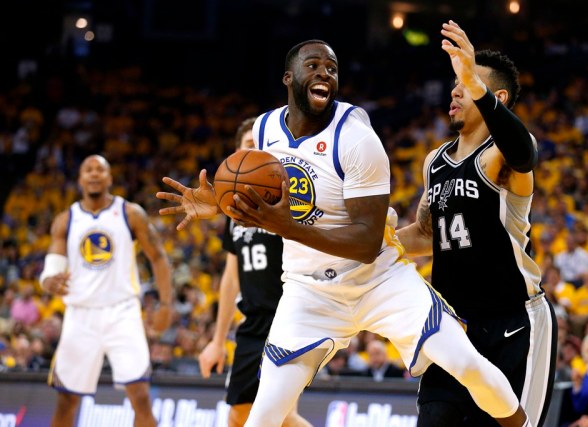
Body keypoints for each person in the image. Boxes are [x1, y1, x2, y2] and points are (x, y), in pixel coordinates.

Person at [157, 33, 532, 427]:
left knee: (466, 363)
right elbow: (255, 196)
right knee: (262, 417)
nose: (324, 73)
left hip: (378, 281)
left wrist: (287, 226)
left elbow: (367, 244)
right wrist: (219, 202)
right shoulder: (266, 130)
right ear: (289, 78)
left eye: (332, 68)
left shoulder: (356, 137)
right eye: (314, 66)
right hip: (309, 290)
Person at [395, 21, 557, 426]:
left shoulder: (505, 154)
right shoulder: (434, 161)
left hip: (514, 323)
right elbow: (425, 235)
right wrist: (367, 247)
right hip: (454, 326)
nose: (454, 89)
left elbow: (524, 154)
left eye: (465, 82)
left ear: (494, 96)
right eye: (455, 81)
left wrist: (476, 83)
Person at [40, 154, 173, 427]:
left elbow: (158, 257)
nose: (94, 174)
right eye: (87, 170)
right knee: (67, 400)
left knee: (140, 395)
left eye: (100, 169)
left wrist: (166, 304)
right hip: (80, 315)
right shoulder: (65, 220)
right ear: (80, 179)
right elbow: (52, 267)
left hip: (122, 312)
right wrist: (47, 281)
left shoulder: (129, 213)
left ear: (109, 178)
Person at [197, 118, 311, 427]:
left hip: (286, 317)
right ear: (236, 155)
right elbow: (231, 277)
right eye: (248, 144)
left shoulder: (289, 200)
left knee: (280, 416)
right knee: (241, 416)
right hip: (252, 323)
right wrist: (217, 340)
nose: (254, 150)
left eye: (261, 144)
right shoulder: (232, 212)